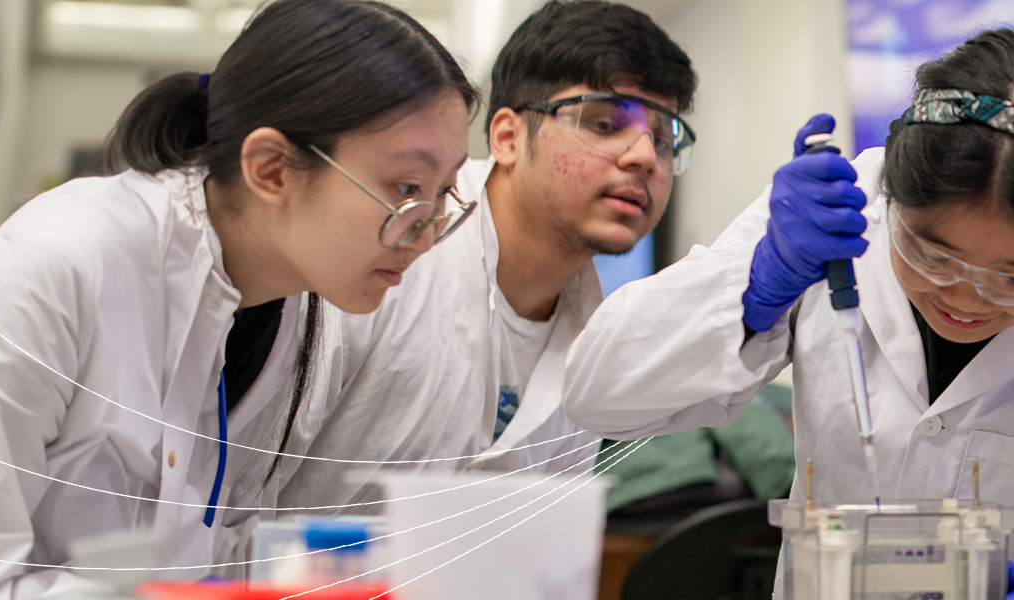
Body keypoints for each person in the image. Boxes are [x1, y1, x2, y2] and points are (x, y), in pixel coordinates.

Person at [0, 1, 476, 597]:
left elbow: (194, 546)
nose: (427, 232)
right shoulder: (59, 265)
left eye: (446, 192)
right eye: (406, 186)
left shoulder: (283, 308)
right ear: (272, 169)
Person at [564, 27, 1014, 600]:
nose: (967, 299)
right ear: (891, 207)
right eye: (934, 257)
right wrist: (754, 286)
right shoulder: (830, 221)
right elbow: (598, 396)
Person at [201, 0, 698, 572]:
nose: (643, 157)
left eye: (665, 139)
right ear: (508, 136)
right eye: (607, 124)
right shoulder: (371, 248)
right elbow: (223, 504)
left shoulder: (596, 337)